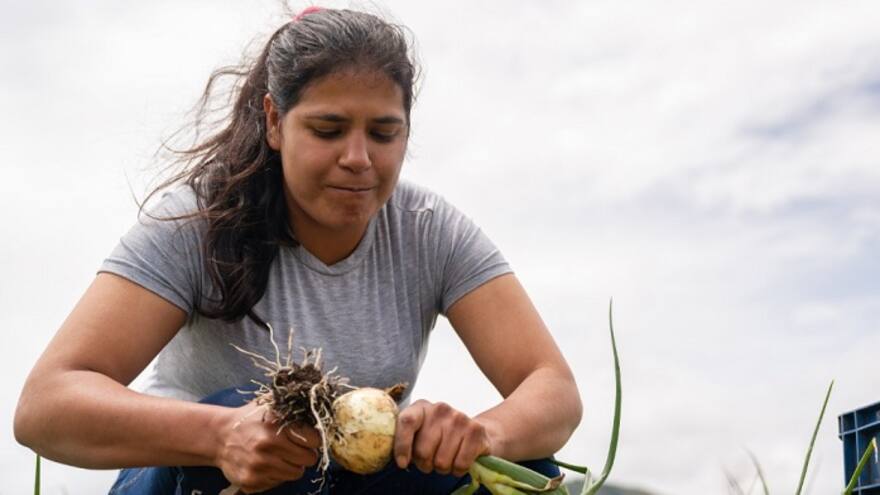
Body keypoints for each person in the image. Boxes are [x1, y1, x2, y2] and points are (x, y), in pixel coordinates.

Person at [14, 7, 582, 494]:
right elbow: (45, 406)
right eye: (328, 130)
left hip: (337, 481)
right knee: (266, 413)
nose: (358, 158)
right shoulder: (196, 223)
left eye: (383, 133)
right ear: (274, 122)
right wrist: (219, 435)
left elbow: (551, 387)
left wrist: (483, 435)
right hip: (191, 476)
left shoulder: (430, 231)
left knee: (523, 467)